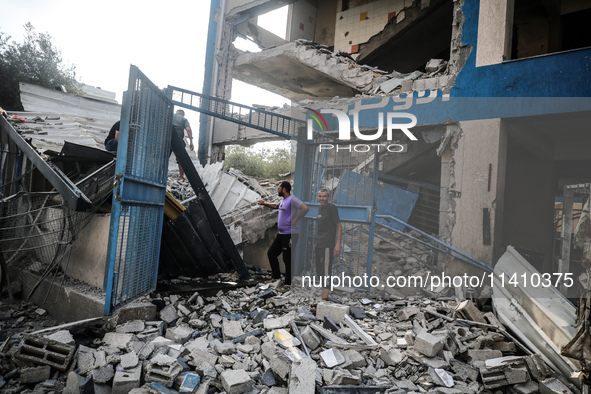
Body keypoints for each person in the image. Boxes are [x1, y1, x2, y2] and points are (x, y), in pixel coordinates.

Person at [259, 181, 309, 286]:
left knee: (287, 258)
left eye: (279, 188)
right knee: (271, 253)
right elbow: (276, 206)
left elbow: (305, 208)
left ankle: (288, 284)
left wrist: (296, 219)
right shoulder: (283, 200)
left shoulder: (292, 199)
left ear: (284, 189)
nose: (278, 190)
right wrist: (265, 203)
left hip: (290, 234)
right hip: (282, 234)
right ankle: (276, 278)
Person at [315, 188, 342, 301]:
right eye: (320, 196)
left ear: (329, 198)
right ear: (317, 198)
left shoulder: (331, 208)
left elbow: (339, 226)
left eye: (324, 196)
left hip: (327, 246)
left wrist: (337, 245)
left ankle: (324, 299)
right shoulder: (320, 209)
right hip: (320, 245)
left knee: (326, 272)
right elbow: (321, 229)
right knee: (320, 271)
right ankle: (324, 296)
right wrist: (316, 243)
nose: (322, 198)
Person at [171, 109, 194, 181]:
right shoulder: (183, 119)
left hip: (167, 138)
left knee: (164, 158)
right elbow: (188, 129)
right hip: (178, 140)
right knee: (181, 159)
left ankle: (159, 175)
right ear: (183, 114)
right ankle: (181, 177)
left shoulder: (170, 116)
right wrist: (191, 142)